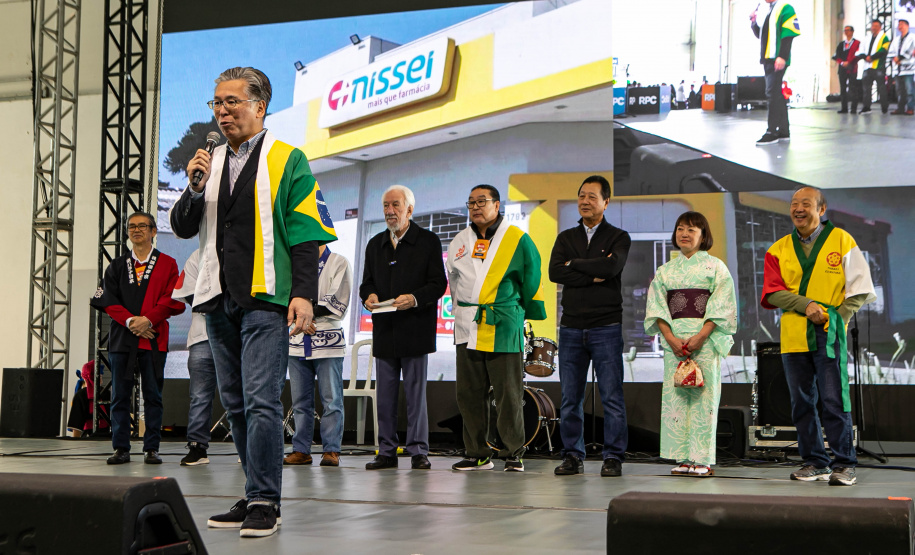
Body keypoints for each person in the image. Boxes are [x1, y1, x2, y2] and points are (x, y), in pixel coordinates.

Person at [170, 67, 336, 537]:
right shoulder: (209, 162)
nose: (222, 111)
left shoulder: (289, 159)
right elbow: (183, 226)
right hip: (218, 297)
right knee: (237, 403)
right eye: (216, 103)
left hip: (267, 298)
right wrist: (194, 185)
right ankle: (253, 490)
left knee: (262, 400)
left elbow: (306, 235)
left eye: (232, 102)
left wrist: (303, 293)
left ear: (259, 106)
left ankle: (267, 500)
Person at [761, 186, 876, 486]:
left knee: (833, 400)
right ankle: (815, 461)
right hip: (794, 336)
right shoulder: (778, 248)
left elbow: (860, 289)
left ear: (821, 210)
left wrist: (837, 317)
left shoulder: (842, 240)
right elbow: (773, 293)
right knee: (801, 403)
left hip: (828, 334)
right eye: (794, 203)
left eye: (807, 204)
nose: (799, 209)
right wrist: (806, 305)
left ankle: (845, 463)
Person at [447, 184, 546, 472]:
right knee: (469, 393)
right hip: (468, 324)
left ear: (497, 204)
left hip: (503, 322)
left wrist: (524, 312)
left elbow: (532, 277)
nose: (476, 207)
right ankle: (477, 452)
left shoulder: (516, 239)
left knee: (508, 393)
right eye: (471, 203)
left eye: (482, 201)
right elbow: (453, 281)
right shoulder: (459, 241)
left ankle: (514, 451)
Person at [359, 185, 447, 470]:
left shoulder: (428, 241)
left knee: (415, 394)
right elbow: (367, 283)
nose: (389, 211)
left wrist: (414, 298)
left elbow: (438, 283)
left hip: (415, 327)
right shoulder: (375, 244)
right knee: (384, 396)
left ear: (409, 209)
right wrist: (368, 296)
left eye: (395, 205)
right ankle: (386, 450)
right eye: (386, 206)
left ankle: (418, 450)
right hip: (385, 328)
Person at [549, 176, 631, 478]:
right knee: (571, 397)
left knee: (611, 395)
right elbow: (554, 272)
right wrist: (591, 268)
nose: (585, 201)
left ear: (606, 202)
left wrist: (575, 265)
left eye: (592, 196)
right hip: (570, 327)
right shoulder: (566, 237)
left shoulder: (619, 236)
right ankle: (572, 455)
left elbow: (611, 267)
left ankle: (613, 457)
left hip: (606, 326)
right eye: (581, 196)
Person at [644, 212, 737, 477]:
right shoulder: (665, 271)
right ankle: (683, 456)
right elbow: (657, 309)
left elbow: (722, 306)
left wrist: (701, 335)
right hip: (675, 341)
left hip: (704, 342)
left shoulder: (716, 267)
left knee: (703, 399)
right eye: (680, 229)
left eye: (692, 230)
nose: (684, 234)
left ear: (703, 235)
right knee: (676, 398)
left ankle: (702, 459)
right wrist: (671, 339)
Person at [90, 212, 184, 465]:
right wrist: (133, 322)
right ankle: (121, 447)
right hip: (123, 339)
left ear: (154, 231)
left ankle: (151, 447)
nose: (137, 230)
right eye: (132, 226)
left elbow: (172, 298)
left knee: (153, 395)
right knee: (120, 395)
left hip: (154, 339)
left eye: (143, 226)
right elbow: (108, 301)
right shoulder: (117, 266)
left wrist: (148, 320)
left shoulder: (168, 264)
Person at [285, 245, 352, 467]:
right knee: (300, 401)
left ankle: (331, 449)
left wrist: (306, 313)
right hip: (297, 339)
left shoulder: (338, 261)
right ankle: (301, 449)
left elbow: (338, 301)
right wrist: (300, 319)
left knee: (331, 398)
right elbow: (286, 296)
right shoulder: (293, 262)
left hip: (327, 340)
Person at [172, 249, 217, 466]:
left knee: (243, 394)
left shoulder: (245, 247)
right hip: (202, 338)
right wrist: (217, 308)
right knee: (199, 396)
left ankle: (244, 447)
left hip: (237, 339)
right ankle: (197, 447)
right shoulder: (197, 255)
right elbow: (186, 291)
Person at [750, 0, 801, 145]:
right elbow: (762, 36)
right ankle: (784, 131)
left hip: (777, 59)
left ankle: (772, 131)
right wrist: (754, 22)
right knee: (776, 93)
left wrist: (783, 56)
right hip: (768, 59)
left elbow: (789, 34)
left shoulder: (785, 8)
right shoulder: (769, 12)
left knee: (772, 93)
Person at [859, 19, 890, 114]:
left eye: (876, 26)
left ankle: (884, 107)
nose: (874, 27)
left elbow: (884, 50)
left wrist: (872, 57)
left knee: (881, 88)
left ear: (880, 27)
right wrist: (866, 57)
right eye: (873, 26)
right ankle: (866, 107)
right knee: (866, 88)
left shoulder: (884, 37)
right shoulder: (867, 38)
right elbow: (861, 50)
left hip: (878, 66)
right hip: (867, 67)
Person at [890, 19, 915, 116]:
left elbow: (911, 50)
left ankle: (910, 108)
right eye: (899, 24)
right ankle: (900, 108)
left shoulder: (913, 37)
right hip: (898, 69)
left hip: (908, 68)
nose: (900, 26)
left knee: (909, 90)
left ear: (907, 26)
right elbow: (891, 51)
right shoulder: (896, 39)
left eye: (902, 24)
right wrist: (894, 58)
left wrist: (900, 58)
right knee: (899, 90)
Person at [833, 26, 861, 114]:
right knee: (843, 89)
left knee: (853, 88)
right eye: (845, 31)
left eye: (848, 30)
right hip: (842, 69)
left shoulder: (857, 43)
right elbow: (836, 56)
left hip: (852, 68)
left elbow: (858, 55)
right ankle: (844, 108)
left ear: (852, 32)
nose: (846, 32)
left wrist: (849, 62)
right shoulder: (841, 44)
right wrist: (842, 62)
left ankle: (853, 109)